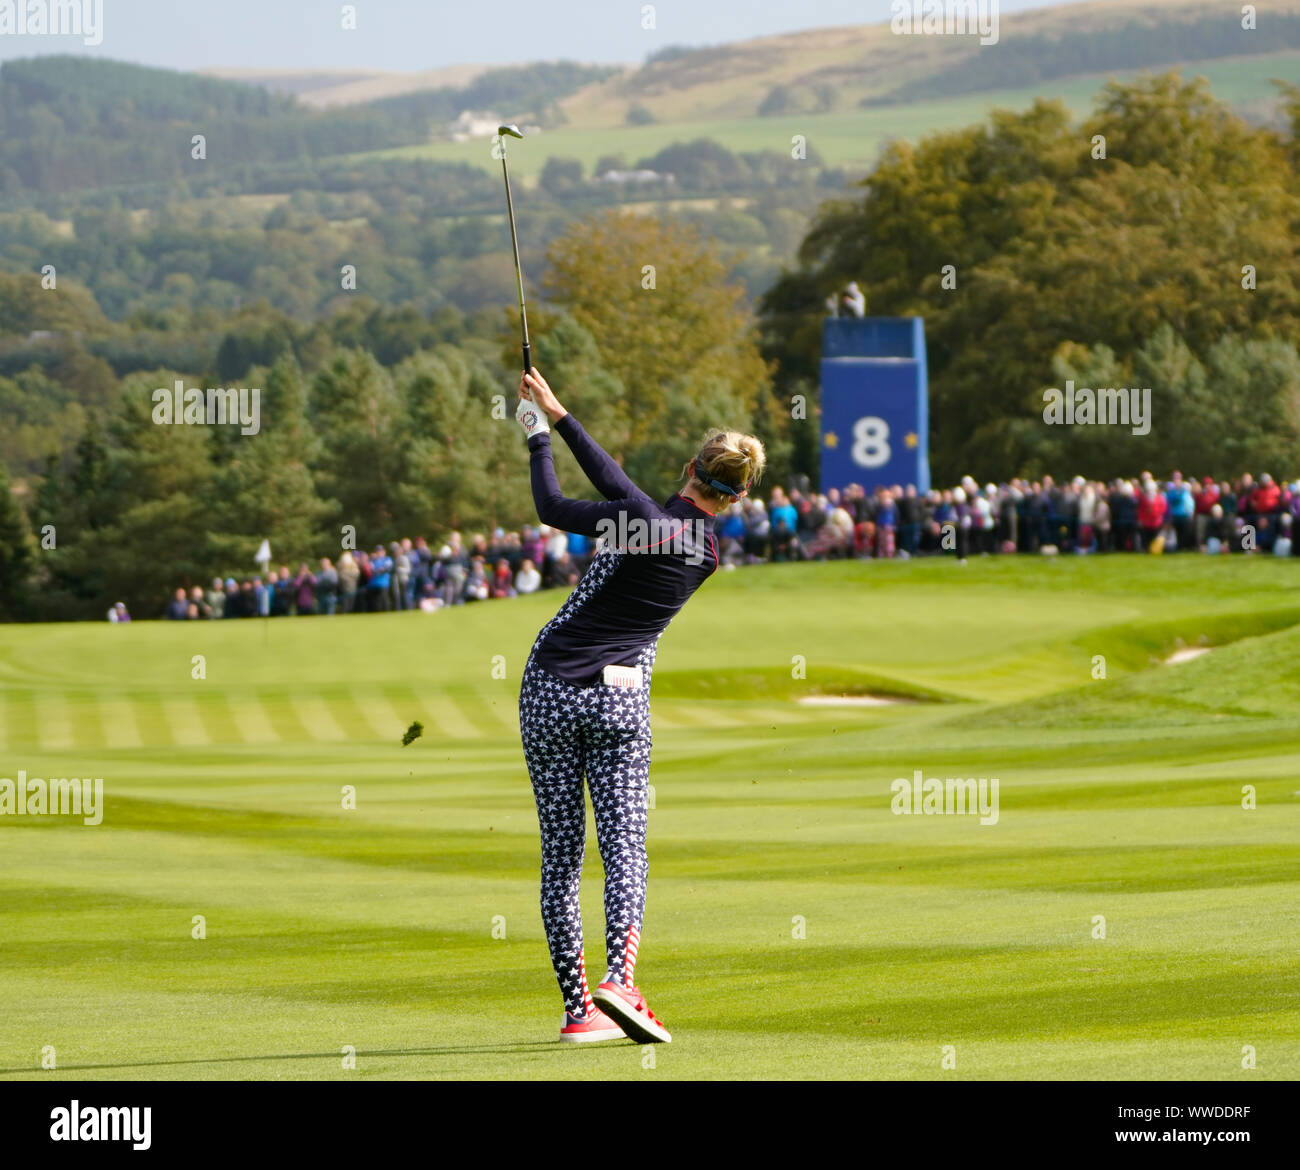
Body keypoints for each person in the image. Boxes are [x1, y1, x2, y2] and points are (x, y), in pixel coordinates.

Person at [514, 366, 765, 1046]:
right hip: (620, 705)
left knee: (562, 856)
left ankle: (579, 1012)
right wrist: (549, 421)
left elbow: (557, 505)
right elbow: (606, 503)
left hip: (548, 690)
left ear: (689, 467)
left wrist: (544, 427)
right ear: (738, 497)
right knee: (624, 847)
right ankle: (620, 979)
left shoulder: (639, 523)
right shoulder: (705, 552)